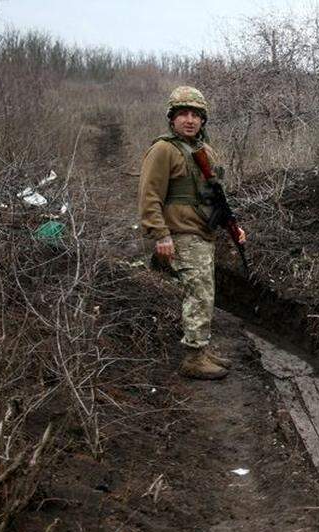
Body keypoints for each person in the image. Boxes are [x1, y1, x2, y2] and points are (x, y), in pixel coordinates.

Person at [138, 86, 246, 380]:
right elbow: (149, 196)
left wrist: (233, 227)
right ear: (171, 119)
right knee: (198, 294)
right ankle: (193, 358)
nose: (189, 119)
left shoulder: (204, 150)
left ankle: (201, 349)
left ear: (203, 120)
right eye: (182, 114)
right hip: (182, 233)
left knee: (205, 293)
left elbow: (214, 196)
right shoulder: (163, 150)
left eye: (195, 114)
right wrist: (160, 235)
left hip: (202, 232)